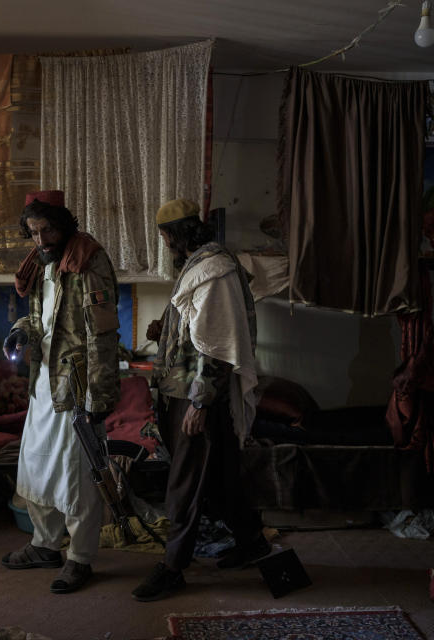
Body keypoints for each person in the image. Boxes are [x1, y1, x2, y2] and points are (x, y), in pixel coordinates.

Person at [131, 198, 269, 602]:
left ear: (176, 234)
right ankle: (252, 543)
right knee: (222, 473)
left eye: (164, 236)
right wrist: (167, 330)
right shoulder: (198, 266)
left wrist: (200, 402)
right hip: (185, 391)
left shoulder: (214, 270)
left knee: (185, 482)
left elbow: (220, 345)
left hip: (197, 396)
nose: (164, 243)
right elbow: (198, 330)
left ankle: (172, 567)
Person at [0, 190, 120, 594]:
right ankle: (44, 544)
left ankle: (80, 558)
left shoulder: (89, 261)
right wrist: (19, 334)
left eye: (47, 230)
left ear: (64, 224)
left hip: (77, 386)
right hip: (43, 382)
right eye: (33, 233)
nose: (41, 240)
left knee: (77, 476)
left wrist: (99, 397)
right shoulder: (41, 263)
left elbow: (102, 335)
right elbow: (39, 321)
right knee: (34, 467)